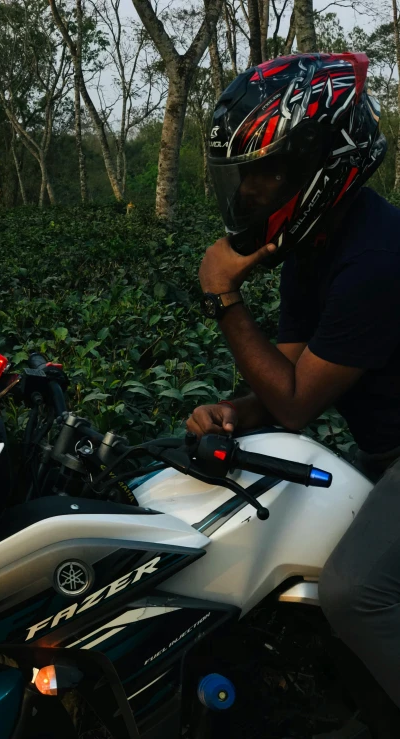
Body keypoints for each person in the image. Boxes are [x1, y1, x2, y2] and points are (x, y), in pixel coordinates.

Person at [186, 52, 400, 714]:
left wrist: (223, 295)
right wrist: (234, 411)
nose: (247, 192)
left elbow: (298, 402)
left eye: (264, 171)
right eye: (242, 174)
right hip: (386, 452)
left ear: (321, 166)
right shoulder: (312, 246)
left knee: (354, 591)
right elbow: (285, 381)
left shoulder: (376, 258)